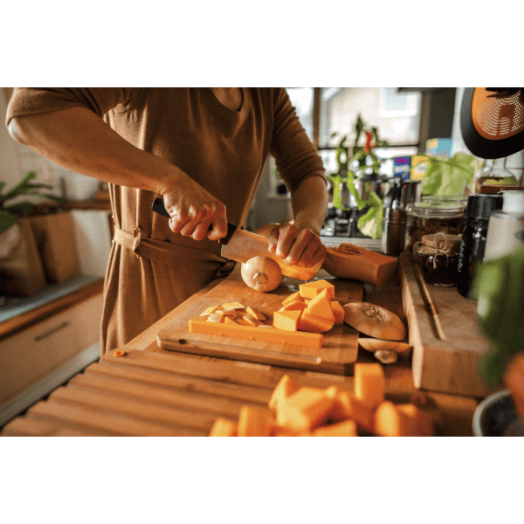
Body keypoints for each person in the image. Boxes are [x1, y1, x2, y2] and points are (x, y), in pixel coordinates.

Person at [6, 88, 328, 354]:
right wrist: (169, 180)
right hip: (147, 287)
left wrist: (307, 225)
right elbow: (31, 115)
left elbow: (307, 172)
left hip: (226, 287)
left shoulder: (267, 93)